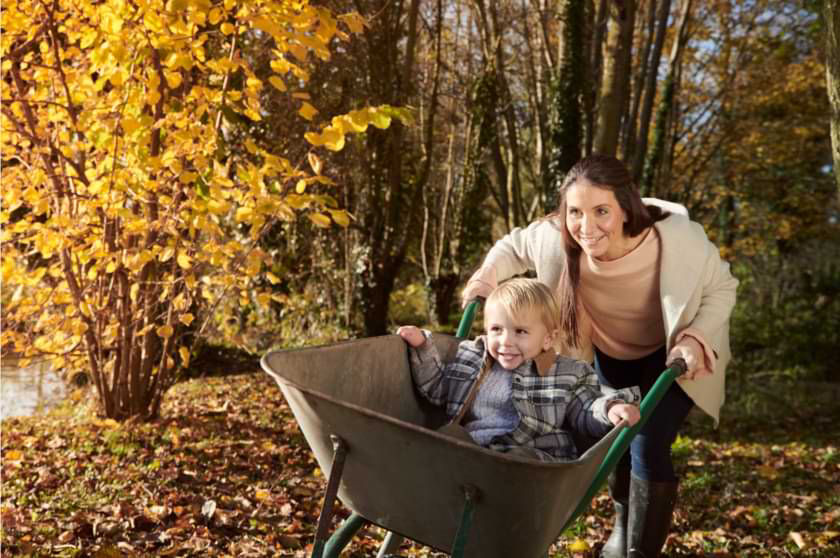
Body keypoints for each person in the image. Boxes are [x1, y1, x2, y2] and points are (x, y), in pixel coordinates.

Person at [461, 154, 738, 557]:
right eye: (575, 212)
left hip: (673, 354)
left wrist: (696, 338)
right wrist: (486, 278)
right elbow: (512, 247)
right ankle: (625, 524)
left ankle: (640, 552)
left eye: (601, 211)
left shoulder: (678, 240)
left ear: (625, 208)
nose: (586, 227)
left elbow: (722, 287)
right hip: (611, 352)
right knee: (614, 435)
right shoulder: (555, 237)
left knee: (645, 439)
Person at [397, 278, 641, 462]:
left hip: (531, 457)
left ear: (548, 339)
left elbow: (585, 409)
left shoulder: (566, 374)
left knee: (520, 460)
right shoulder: (472, 358)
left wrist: (610, 409)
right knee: (443, 439)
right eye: (496, 330)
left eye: (520, 332)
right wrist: (422, 347)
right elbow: (439, 390)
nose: (505, 341)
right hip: (473, 451)